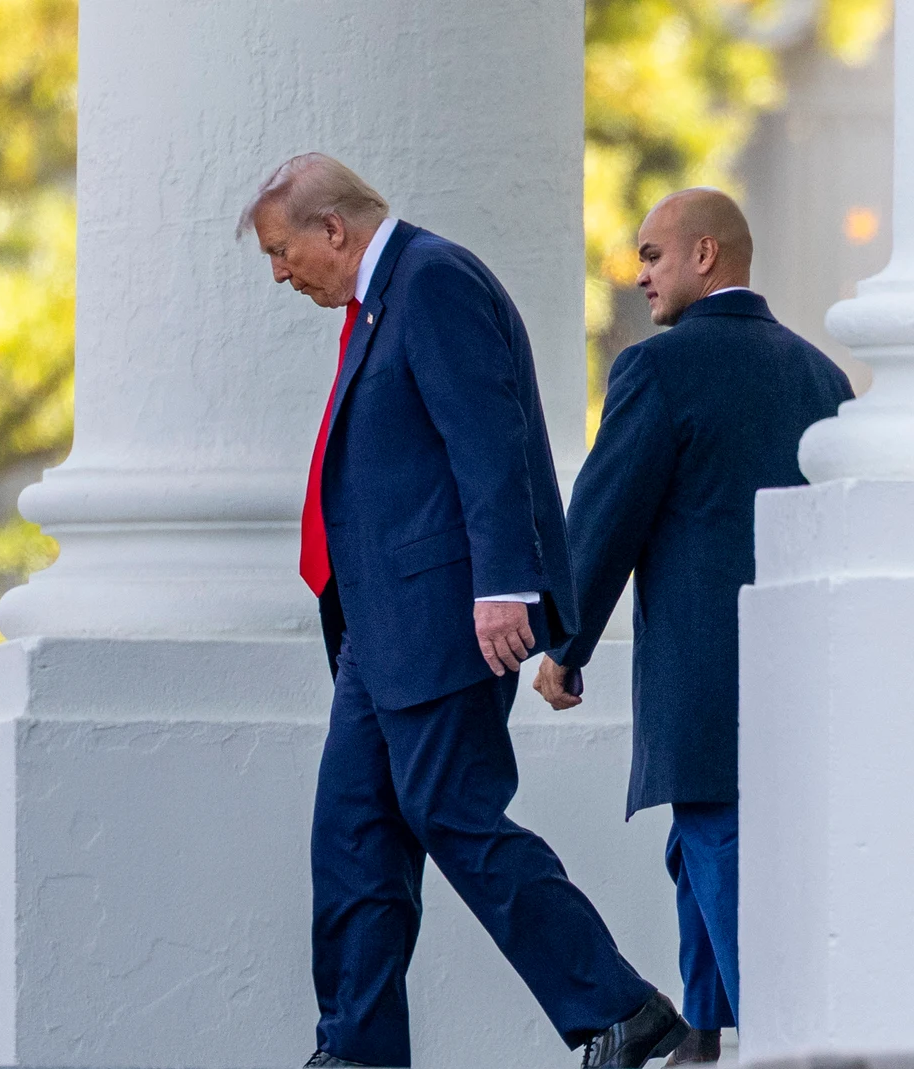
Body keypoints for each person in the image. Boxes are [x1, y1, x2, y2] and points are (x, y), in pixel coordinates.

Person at [241, 152, 686, 1069]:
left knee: (457, 815)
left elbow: (489, 440)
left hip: (444, 616)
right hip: (379, 629)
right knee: (352, 835)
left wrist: (502, 588)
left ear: (336, 229)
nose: (281, 273)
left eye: (285, 252)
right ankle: (357, 1050)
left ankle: (622, 1010)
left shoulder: (432, 278)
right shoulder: (382, 296)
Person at [533, 188, 854, 1065]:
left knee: (717, 839)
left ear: (706, 255)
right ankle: (702, 1031)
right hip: (798, 662)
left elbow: (605, 515)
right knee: (700, 842)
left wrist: (564, 644)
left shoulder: (657, 369)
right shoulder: (821, 375)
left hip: (703, 669)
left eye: (652, 255)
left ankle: (774, 1040)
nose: (638, 276)